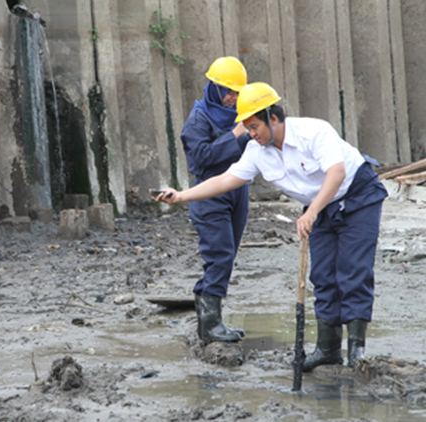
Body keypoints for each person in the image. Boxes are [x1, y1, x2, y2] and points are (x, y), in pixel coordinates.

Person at [157, 82, 388, 370]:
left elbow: (337, 173)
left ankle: (357, 352)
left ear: (273, 117)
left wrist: (312, 211)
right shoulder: (257, 151)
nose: (251, 134)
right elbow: (226, 179)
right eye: (247, 128)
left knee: (353, 270)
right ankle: (328, 349)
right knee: (323, 275)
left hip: (358, 195)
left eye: (255, 127)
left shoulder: (313, 131)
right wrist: (180, 195)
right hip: (320, 207)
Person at [178, 57, 252, 344]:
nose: (232, 98)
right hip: (209, 194)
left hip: (238, 189)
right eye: (228, 91)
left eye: (237, 92)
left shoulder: (239, 114)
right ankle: (209, 325)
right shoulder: (198, 120)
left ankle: (210, 316)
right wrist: (234, 136)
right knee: (218, 254)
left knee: (228, 254)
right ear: (214, 88)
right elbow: (201, 158)